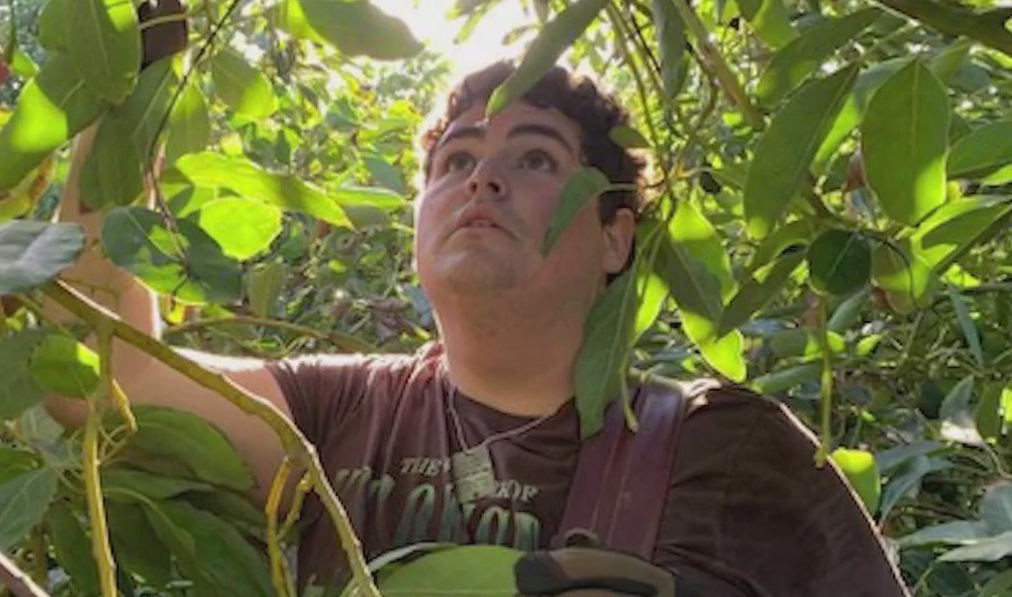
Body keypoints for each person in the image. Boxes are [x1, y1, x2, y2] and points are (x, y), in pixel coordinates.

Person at [47, 52, 910, 596]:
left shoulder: (732, 449)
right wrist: (131, 73)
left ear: (617, 234)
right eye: (456, 159)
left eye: (534, 157)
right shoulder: (337, 412)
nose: (481, 178)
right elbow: (100, 382)